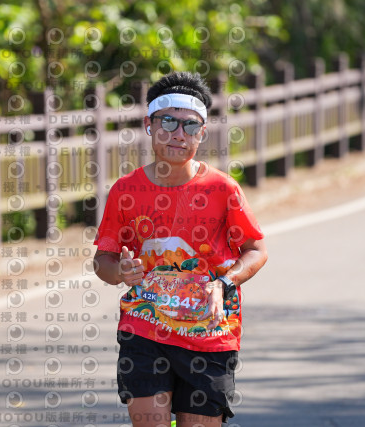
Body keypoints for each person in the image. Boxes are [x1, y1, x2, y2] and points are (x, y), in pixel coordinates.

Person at [93, 71, 268, 427]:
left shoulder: (222, 189)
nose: (178, 134)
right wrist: (120, 272)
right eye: (168, 122)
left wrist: (224, 282)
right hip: (144, 327)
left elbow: (256, 250)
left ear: (202, 133)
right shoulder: (126, 190)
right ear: (149, 125)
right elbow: (103, 260)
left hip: (210, 334)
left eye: (190, 125)